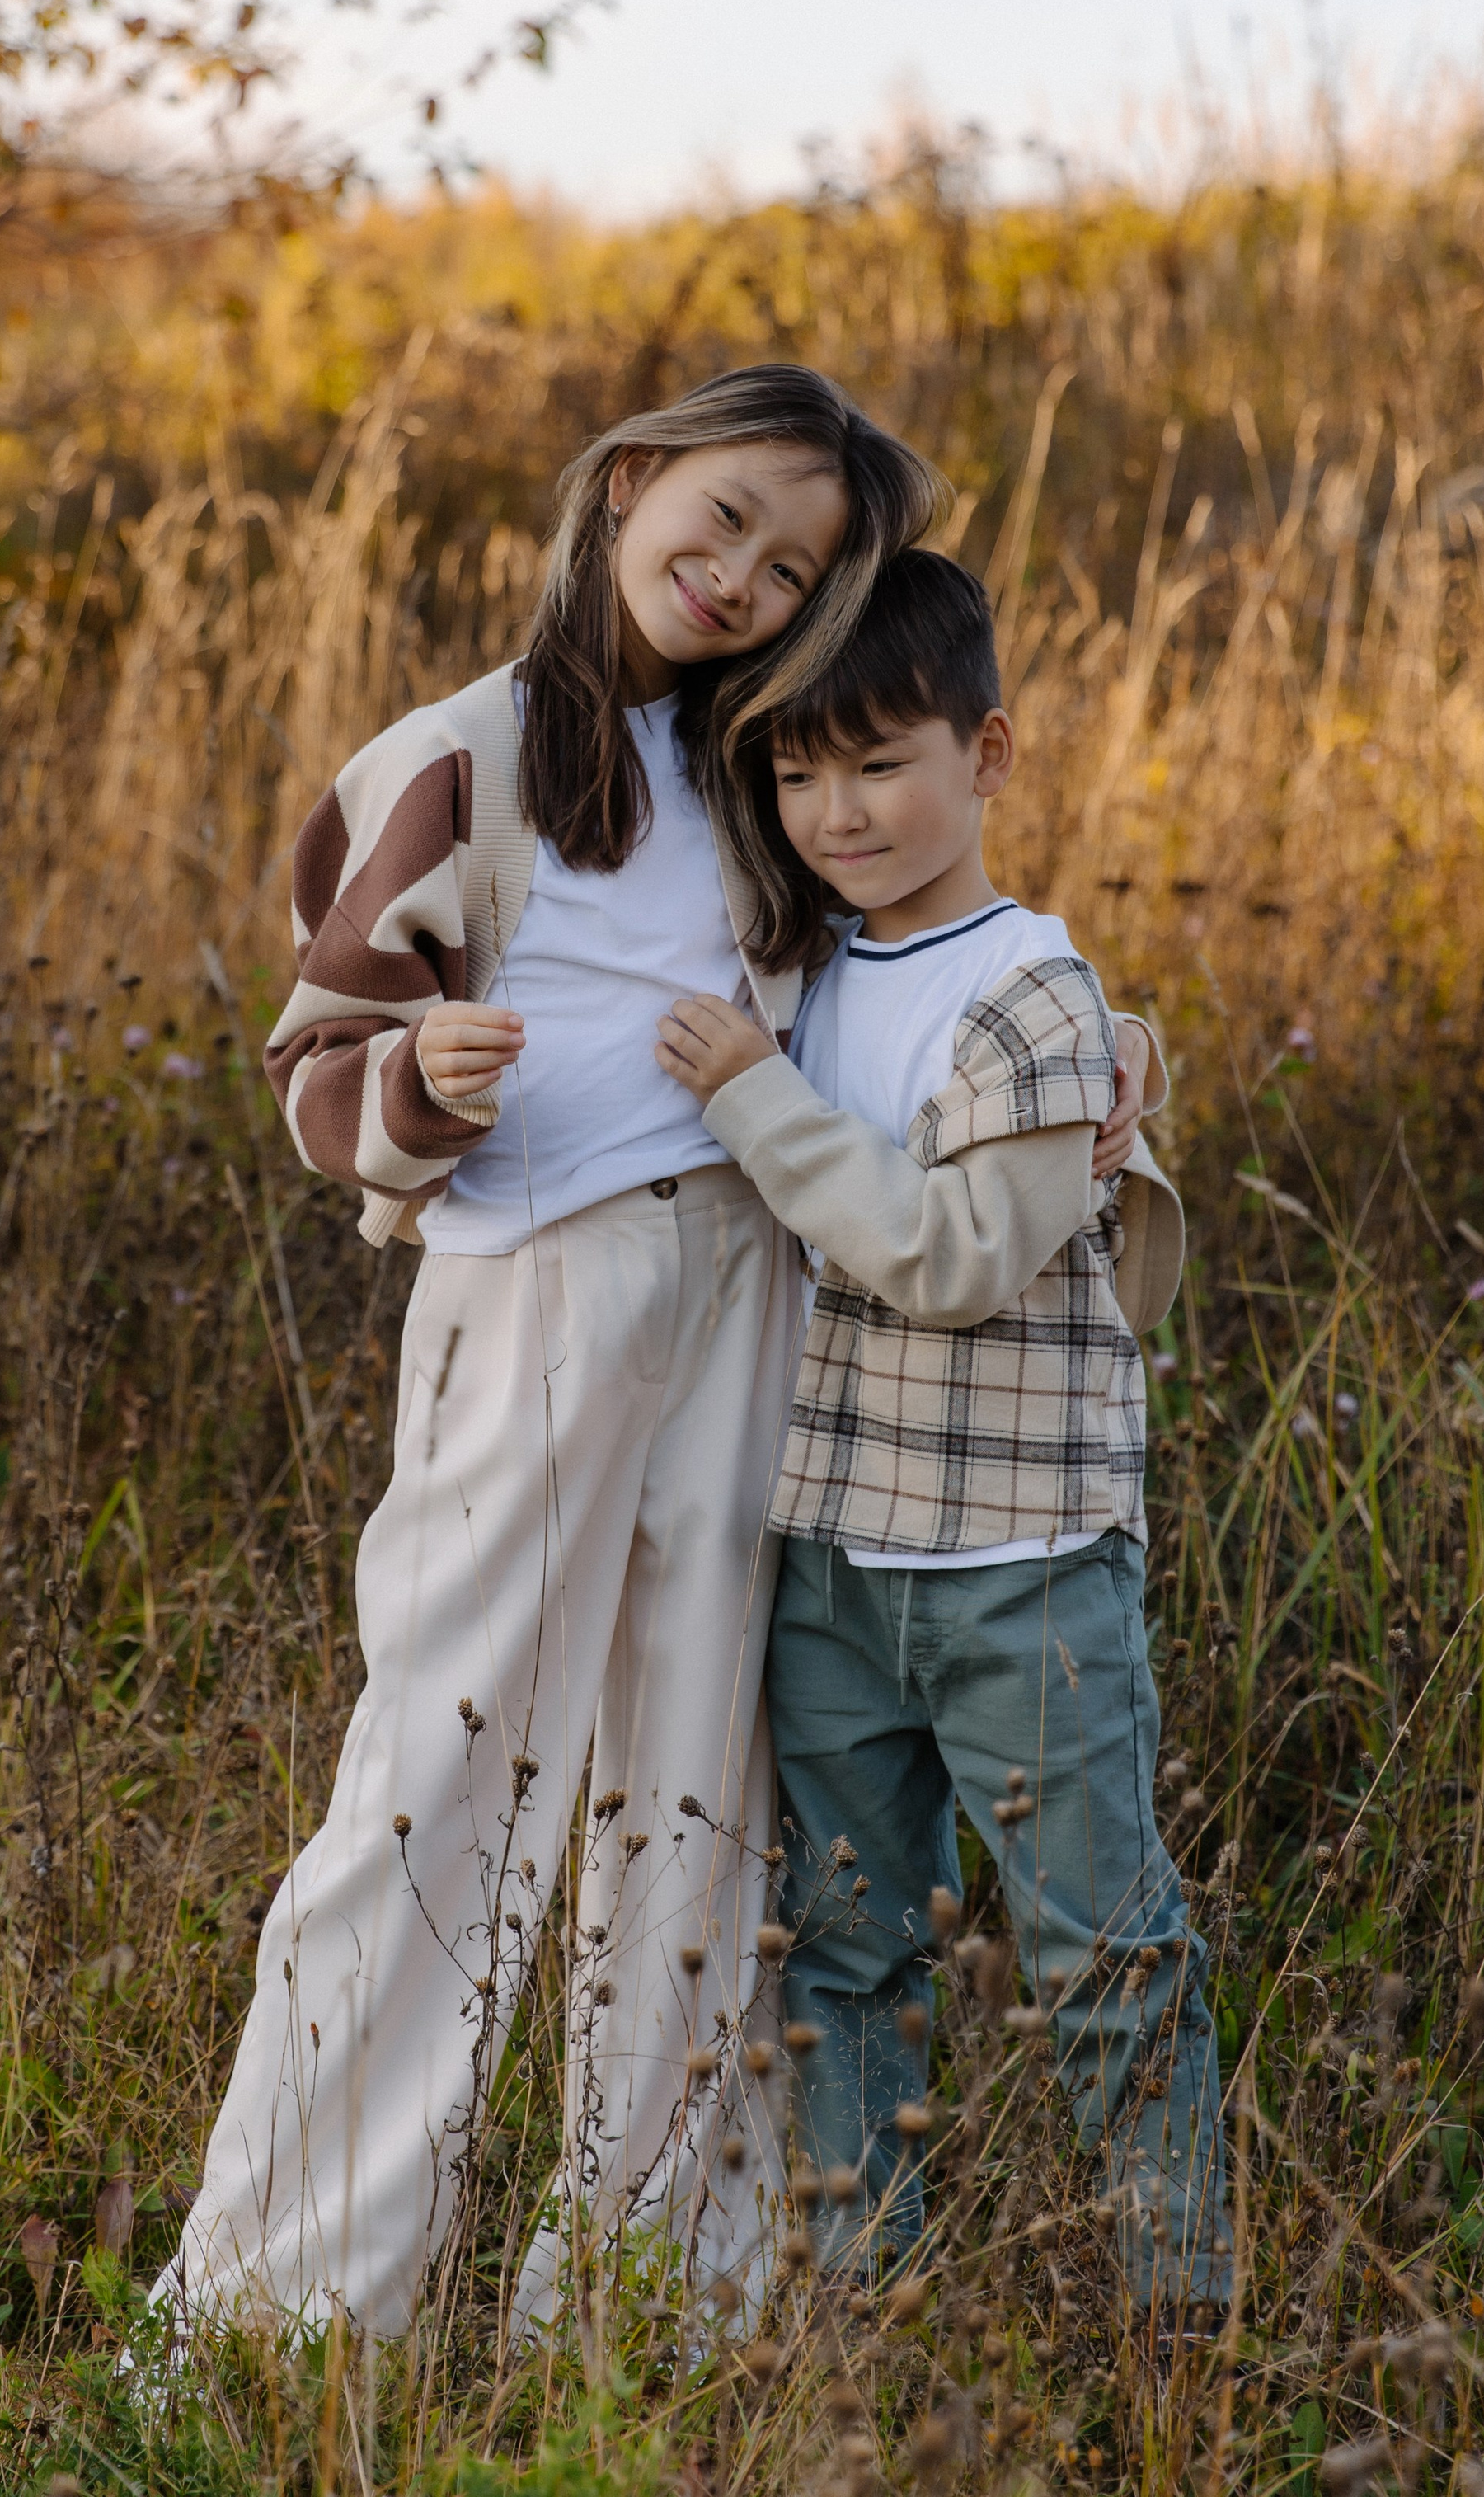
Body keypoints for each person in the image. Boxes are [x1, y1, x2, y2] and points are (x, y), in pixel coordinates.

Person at [153, 364, 951, 2344]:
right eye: (725, 516)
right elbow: (316, 1056)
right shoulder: (465, 757)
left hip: (749, 1282)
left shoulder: (774, 761)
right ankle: (286, 2309)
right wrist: (417, 1082)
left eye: (792, 567)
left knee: (701, 1774)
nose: (740, 576)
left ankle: (646, 2292)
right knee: (442, 1775)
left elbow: (920, 972)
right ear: (627, 482)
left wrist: (1095, 1065)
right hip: (539, 1287)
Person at [655, 546, 1228, 2320]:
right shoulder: (812, 966)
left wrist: (753, 1101)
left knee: (1096, 1948)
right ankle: (862, 2293)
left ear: (986, 757)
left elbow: (955, 1261)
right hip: (835, 1558)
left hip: (1018, 1574)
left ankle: (1176, 2310)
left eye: (878, 764)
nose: (836, 812)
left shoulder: (1030, 996)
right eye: (796, 773)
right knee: (842, 1954)